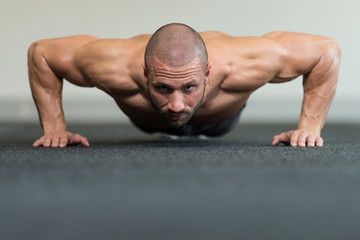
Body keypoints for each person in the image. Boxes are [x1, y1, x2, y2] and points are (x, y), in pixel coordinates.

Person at [27, 23, 341, 148]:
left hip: (221, 120)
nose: (176, 105)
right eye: (163, 88)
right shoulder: (111, 64)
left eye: (189, 87)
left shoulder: (248, 61)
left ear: (207, 72)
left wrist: (309, 127)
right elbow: (42, 53)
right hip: (146, 121)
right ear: (145, 72)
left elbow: (326, 51)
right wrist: (54, 127)